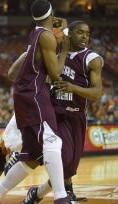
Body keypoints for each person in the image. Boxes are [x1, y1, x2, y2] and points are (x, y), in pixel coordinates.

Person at [0, 0, 70, 204]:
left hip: (26, 95)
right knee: (53, 140)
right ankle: (61, 197)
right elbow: (55, 76)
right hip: (34, 96)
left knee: (32, 156)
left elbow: (13, 73)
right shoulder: (46, 36)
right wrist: (64, 49)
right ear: (51, 14)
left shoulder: (36, 34)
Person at [19, 20, 103, 203]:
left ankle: (38, 193)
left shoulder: (92, 59)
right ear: (69, 34)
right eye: (80, 32)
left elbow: (97, 93)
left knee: (71, 164)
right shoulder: (55, 53)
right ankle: (65, 194)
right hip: (56, 113)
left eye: (87, 33)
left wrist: (73, 88)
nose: (85, 37)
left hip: (77, 114)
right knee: (63, 158)